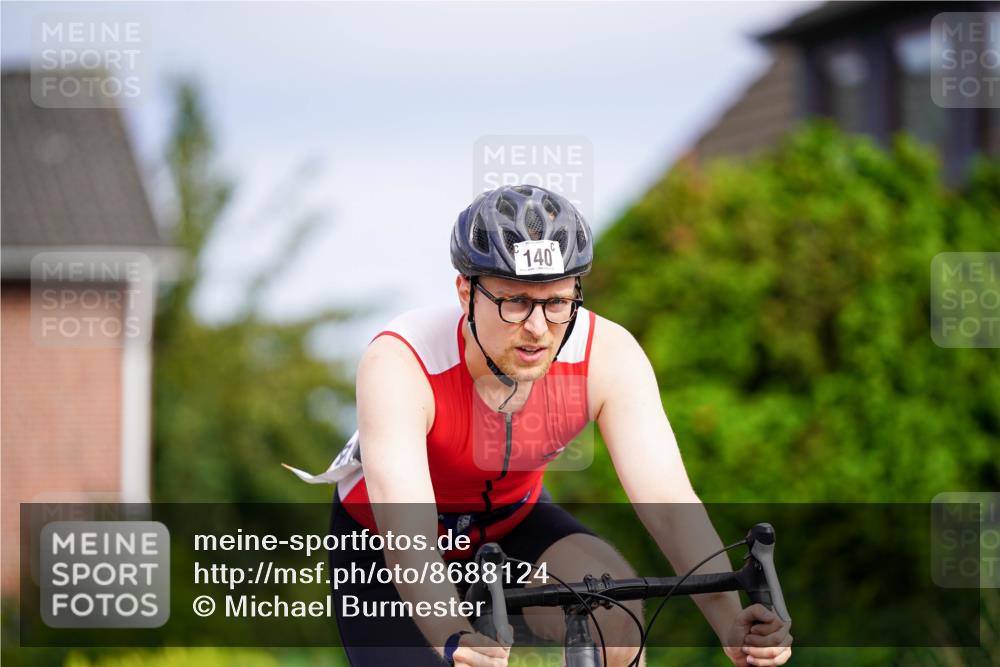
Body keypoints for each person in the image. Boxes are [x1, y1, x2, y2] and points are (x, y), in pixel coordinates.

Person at [327, 185, 793, 666]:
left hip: (513, 523)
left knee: (613, 617)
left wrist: (729, 621)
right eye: (514, 301)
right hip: (386, 545)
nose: (537, 328)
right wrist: (452, 634)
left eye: (556, 302)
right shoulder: (401, 362)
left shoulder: (606, 355)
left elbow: (670, 505)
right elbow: (409, 534)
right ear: (466, 293)